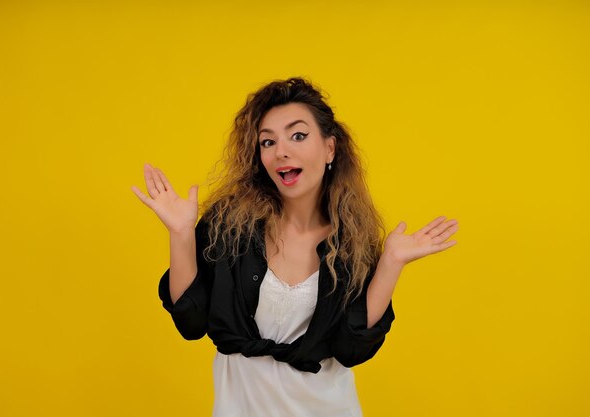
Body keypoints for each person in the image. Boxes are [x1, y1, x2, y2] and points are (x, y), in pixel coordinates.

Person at [131, 77, 459, 417]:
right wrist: (181, 234)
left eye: (298, 135)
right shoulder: (229, 226)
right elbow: (191, 322)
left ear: (330, 148)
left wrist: (390, 263)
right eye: (267, 142)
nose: (281, 151)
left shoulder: (352, 243)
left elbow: (351, 349)